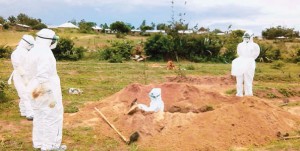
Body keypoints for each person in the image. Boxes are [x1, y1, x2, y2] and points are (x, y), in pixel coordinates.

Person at [25, 29, 66, 150]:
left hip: (33, 88)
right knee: (53, 116)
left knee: (39, 115)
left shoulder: (33, 50)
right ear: (49, 40)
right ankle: (51, 146)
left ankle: (39, 143)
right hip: (44, 88)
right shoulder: (45, 52)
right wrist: (49, 94)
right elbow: (43, 76)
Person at [8, 35, 35, 120]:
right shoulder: (16, 53)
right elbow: (18, 66)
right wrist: (24, 77)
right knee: (25, 94)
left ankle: (23, 111)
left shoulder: (27, 51)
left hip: (28, 76)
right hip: (19, 76)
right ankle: (30, 114)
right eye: (30, 44)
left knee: (25, 94)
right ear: (25, 42)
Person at [231, 31, 260, 97]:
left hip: (250, 63)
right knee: (239, 79)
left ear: (251, 37)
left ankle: (248, 95)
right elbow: (239, 53)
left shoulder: (255, 46)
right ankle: (239, 94)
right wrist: (243, 59)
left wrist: (249, 59)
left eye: (248, 37)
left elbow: (256, 54)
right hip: (240, 62)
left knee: (248, 79)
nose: (247, 38)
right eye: (245, 37)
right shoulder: (240, 45)